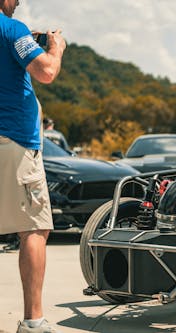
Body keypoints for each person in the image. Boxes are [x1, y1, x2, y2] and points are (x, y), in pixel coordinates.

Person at [0, 1, 66, 332]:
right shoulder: (12, 29)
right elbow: (46, 72)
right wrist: (55, 48)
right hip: (13, 141)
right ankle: (33, 322)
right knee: (34, 229)